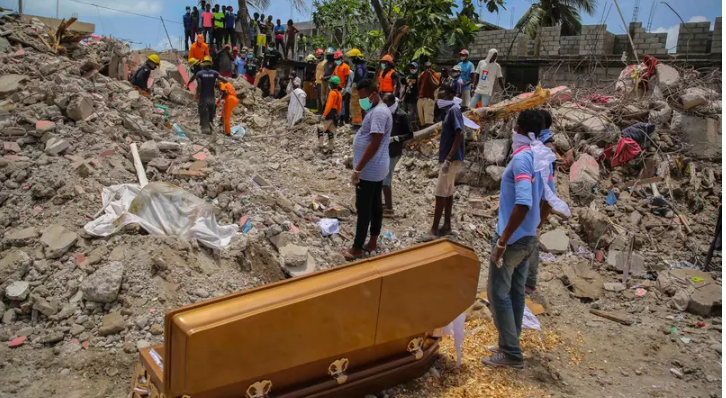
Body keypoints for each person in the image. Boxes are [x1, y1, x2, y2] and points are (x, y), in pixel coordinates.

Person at [483, 109, 548, 369]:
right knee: (515, 292)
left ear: (519, 127)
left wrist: (502, 241)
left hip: (512, 240)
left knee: (497, 293)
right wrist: (536, 225)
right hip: (528, 237)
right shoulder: (539, 156)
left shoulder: (522, 159)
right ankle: (510, 341)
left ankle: (511, 352)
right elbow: (547, 200)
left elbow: (523, 202)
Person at [343, 78, 392, 260]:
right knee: (375, 205)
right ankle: (372, 241)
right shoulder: (377, 110)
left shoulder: (378, 113)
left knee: (364, 209)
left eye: (363, 97)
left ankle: (357, 248)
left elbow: (375, 141)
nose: (361, 100)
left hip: (370, 170)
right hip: (376, 168)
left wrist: (358, 169)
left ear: (373, 94)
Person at [525, 109, 557, 295]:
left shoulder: (546, 149)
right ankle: (527, 281)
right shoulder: (541, 145)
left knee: (530, 241)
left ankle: (529, 282)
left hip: (537, 203)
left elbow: (547, 190)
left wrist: (540, 219)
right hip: (535, 201)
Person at [428, 84, 464, 238]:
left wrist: (448, 158)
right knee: (448, 192)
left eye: (442, 96)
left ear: (450, 94)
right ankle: (446, 225)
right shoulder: (449, 111)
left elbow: (459, 134)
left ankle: (434, 229)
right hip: (452, 157)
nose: (439, 99)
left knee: (440, 193)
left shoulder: (454, 111)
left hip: (451, 159)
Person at [381, 93, 413, 218]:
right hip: (383, 150)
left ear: (391, 102)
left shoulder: (402, 115)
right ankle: (383, 204)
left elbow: (410, 134)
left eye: (386, 103)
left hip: (394, 151)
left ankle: (389, 209)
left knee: (386, 179)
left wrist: (396, 138)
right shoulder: (384, 113)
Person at [186, 56, 228, 135]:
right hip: (212, 99)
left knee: (204, 114)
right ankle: (211, 130)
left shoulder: (200, 73)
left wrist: (197, 94)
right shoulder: (214, 73)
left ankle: (205, 131)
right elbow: (224, 80)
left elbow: (200, 85)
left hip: (204, 98)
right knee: (211, 115)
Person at [317, 75, 342, 153]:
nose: (329, 84)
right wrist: (337, 115)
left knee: (320, 129)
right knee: (330, 132)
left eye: (330, 83)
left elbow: (329, 105)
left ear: (332, 84)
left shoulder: (332, 93)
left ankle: (320, 145)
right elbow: (339, 107)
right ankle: (330, 149)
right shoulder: (339, 94)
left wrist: (324, 115)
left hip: (329, 113)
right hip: (335, 115)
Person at [347, 48, 367, 127]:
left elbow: (359, 76)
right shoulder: (362, 66)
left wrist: (356, 84)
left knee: (355, 105)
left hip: (358, 88)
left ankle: (357, 124)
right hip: (362, 88)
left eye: (352, 58)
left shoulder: (359, 67)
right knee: (360, 106)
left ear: (356, 58)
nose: (351, 60)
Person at [417, 62, 440, 129]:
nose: (428, 69)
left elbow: (435, 86)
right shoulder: (422, 74)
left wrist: (429, 77)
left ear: (431, 67)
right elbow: (419, 86)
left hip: (429, 99)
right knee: (422, 122)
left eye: (429, 67)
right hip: (421, 98)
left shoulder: (435, 75)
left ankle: (430, 137)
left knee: (429, 122)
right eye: (426, 68)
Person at [332, 51, 350, 124]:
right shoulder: (337, 67)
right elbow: (333, 76)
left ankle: (341, 120)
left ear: (341, 58)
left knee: (342, 105)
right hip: (336, 87)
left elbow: (346, 78)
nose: (336, 60)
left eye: (337, 59)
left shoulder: (346, 66)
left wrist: (344, 88)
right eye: (335, 59)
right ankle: (336, 118)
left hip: (342, 88)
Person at [314, 48, 325, 114]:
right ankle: (319, 110)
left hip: (322, 83)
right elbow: (317, 73)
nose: (318, 57)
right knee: (318, 98)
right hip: (318, 82)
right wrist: (315, 81)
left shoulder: (325, 63)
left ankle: (322, 111)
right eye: (317, 56)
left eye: (319, 55)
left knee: (322, 98)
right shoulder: (318, 63)